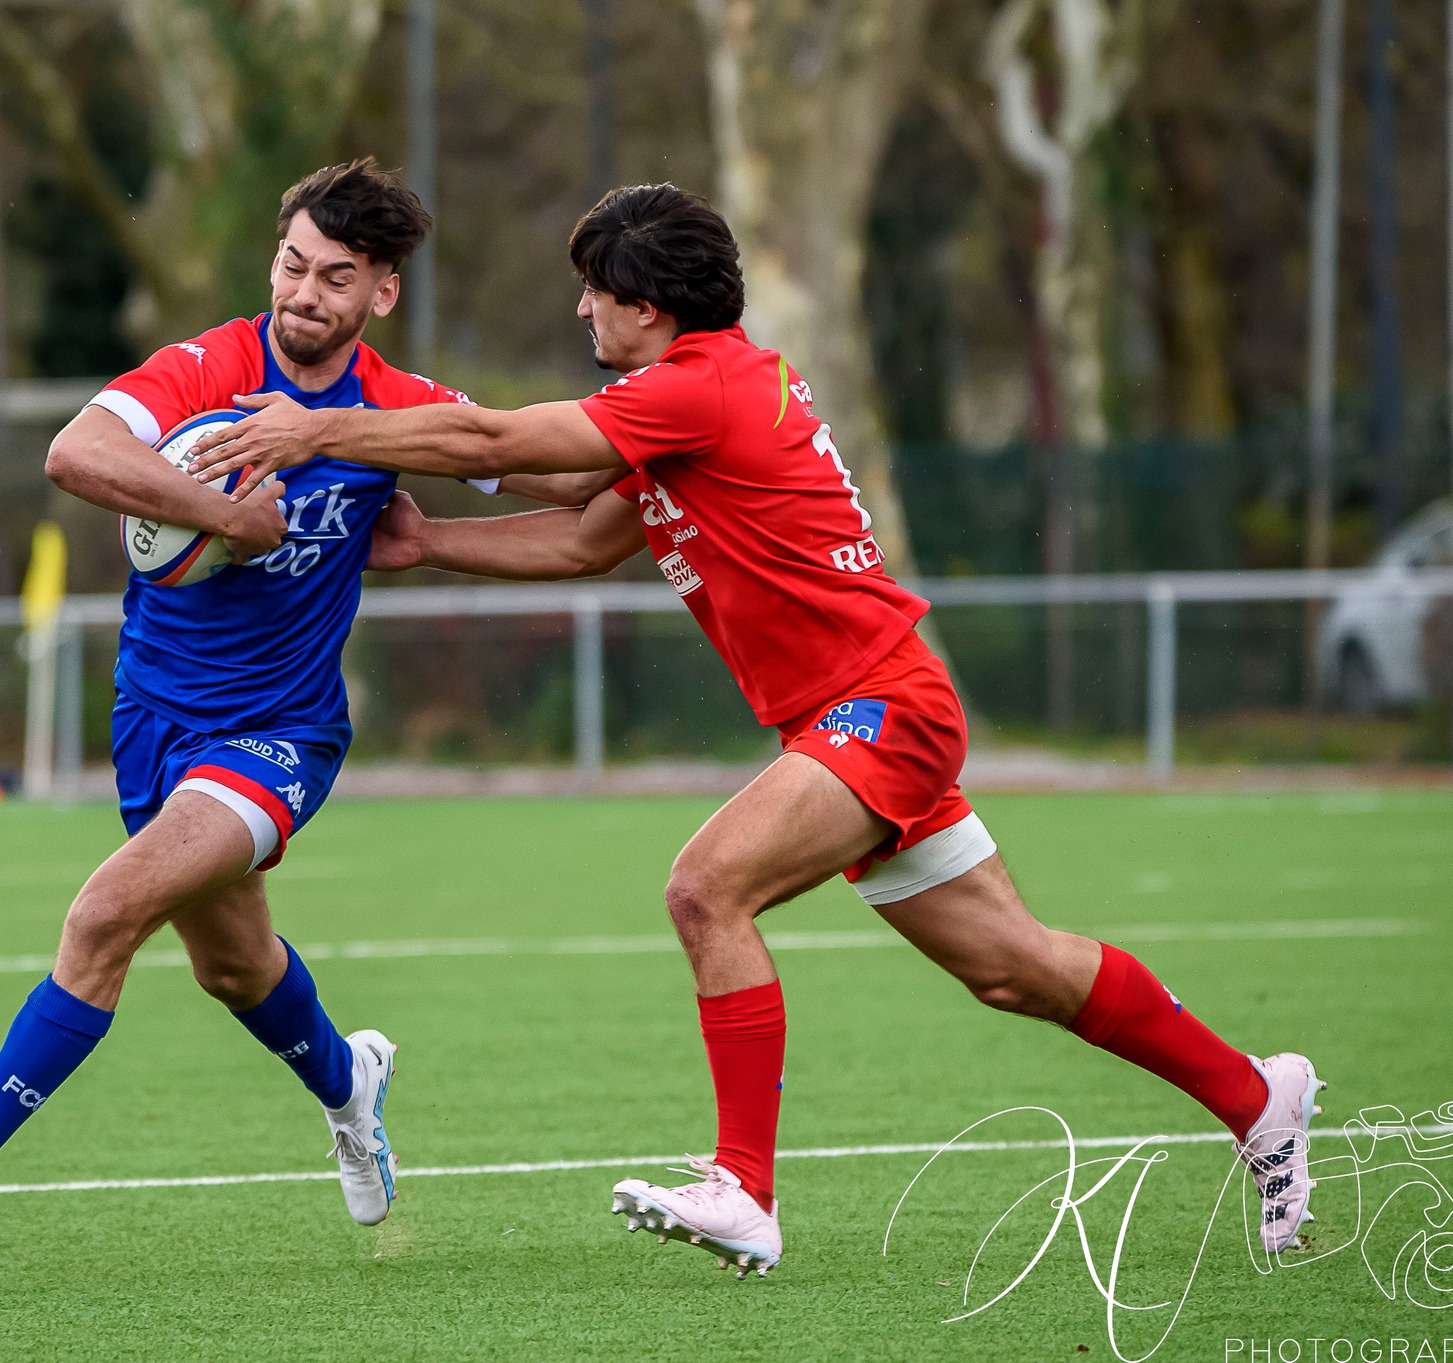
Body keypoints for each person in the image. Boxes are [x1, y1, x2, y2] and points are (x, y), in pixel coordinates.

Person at [186, 183, 1326, 1279]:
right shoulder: (688, 404)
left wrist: (319, 429)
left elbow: (491, 441)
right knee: (1014, 970)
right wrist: (428, 546)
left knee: (704, 888)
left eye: (593, 291)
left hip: (875, 708)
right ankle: (1253, 1097)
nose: (580, 309)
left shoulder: (695, 388)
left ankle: (744, 1187)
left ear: (645, 306)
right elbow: (583, 542)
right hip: (862, 713)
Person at [0, 158, 599, 1254]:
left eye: (335, 278)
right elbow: (76, 452)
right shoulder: (204, 367)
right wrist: (223, 513)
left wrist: (435, 540)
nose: (303, 294)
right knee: (233, 968)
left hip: (280, 735)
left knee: (104, 915)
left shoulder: (400, 410)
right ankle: (351, 1087)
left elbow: (578, 488)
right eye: (292, 265)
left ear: (381, 292)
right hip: (153, 721)